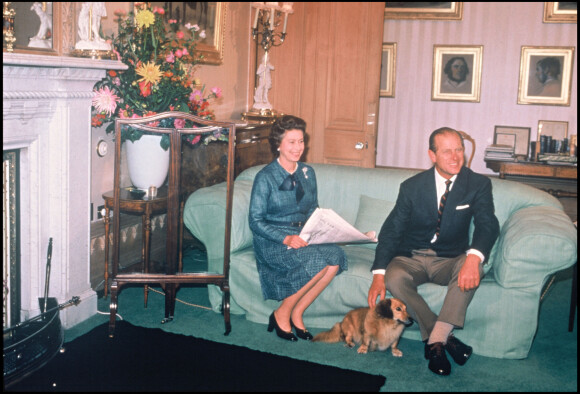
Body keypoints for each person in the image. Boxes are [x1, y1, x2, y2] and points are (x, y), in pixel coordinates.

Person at [367, 127, 499, 376]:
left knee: (472, 266)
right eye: (447, 151)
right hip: (412, 257)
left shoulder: (478, 184)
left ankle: (435, 341)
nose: (455, 156)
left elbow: (487, 223)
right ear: (432, 155)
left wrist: (474, 256)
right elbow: (392, 230)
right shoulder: (411, 187)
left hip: (449, 259)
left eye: (459, 149)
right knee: (395, 276)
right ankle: (444, 340)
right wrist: (378, 274)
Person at [249, 115, 348, 341]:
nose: (298, 148)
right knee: (318, 261)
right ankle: (281, 313)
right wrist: (285, 238)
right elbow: (255, 221)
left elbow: (313, 208)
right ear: (278, 144)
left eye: (301, 141)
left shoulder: (307, 172)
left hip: (303, 235)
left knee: (335, 256)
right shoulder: (265, 177)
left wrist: (327, 228)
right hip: (274, 241)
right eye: (291, 142)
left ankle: (297, 312)